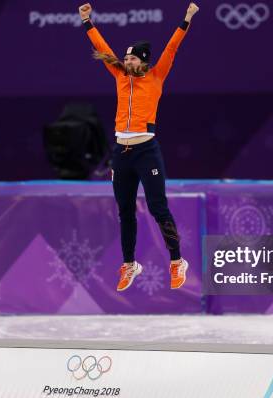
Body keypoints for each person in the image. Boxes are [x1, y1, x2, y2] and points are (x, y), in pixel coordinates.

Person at [78, 2, 199, 292]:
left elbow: (172, 48)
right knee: (124, 211)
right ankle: (130, 264)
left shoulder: (157, 77)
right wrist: (87, 21)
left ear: (143, 61)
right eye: (126, 59)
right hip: (121, 154)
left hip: (147, 151)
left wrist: (186, 19)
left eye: (132, 60)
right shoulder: (119, 77)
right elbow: (102, 47)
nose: (127, 62)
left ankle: (176, 261)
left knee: (158, 208)